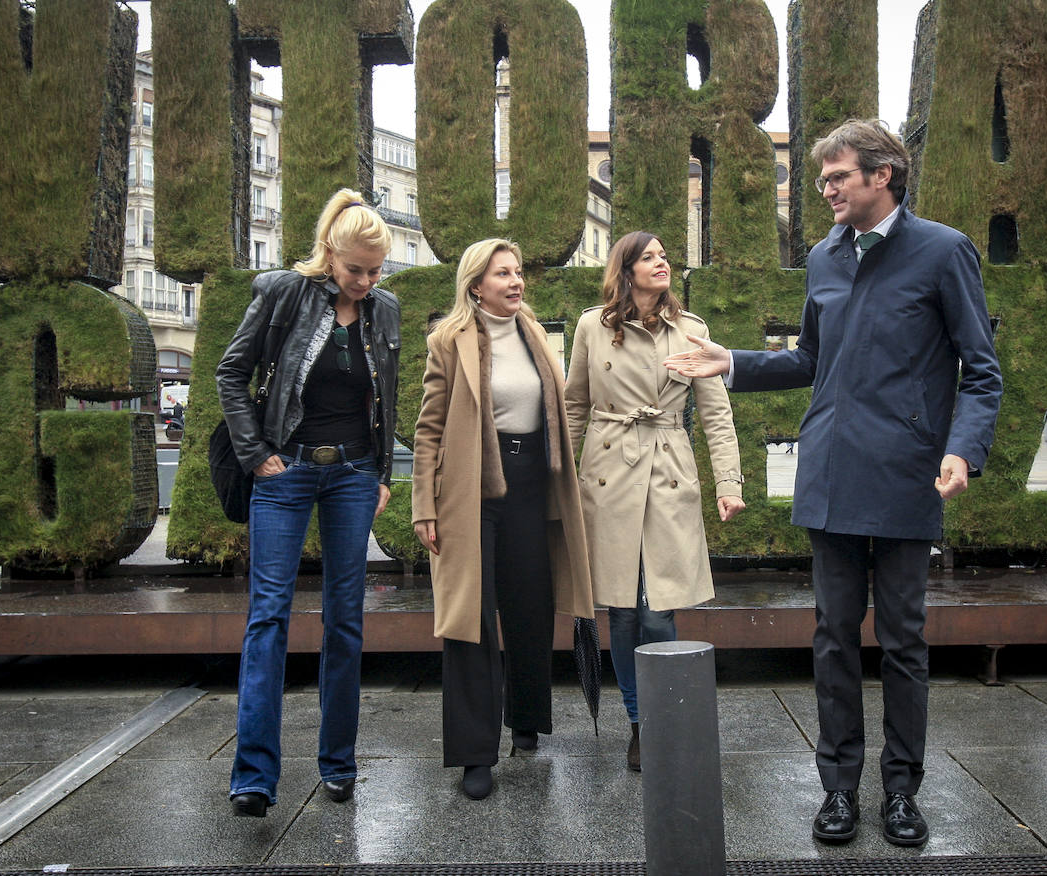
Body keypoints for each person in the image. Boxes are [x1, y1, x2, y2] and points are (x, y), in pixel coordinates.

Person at [664, 119, 1001, 847]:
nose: (826, 189)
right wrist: (733, 362)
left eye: (838, 176)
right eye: (822, 179)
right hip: (831, 473)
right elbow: (811, 360)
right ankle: (840, 790)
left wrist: (962, 450)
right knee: (832, 638)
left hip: (911, 474)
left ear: (884, 175)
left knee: (905, 640)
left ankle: (902, 791)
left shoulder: (943, 251)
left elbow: (981, 368)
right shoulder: (824, 257)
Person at [217, 188, 401, 817]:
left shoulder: (386, 310)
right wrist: (254, 453)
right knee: (268, 617)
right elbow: (229, 372)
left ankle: (338, 763)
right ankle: (253, 778)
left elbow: (385, 401)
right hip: (285, 471)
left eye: (376, 272)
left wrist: (379, 473)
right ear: (330, 252)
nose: (366, 282)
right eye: (356, 270)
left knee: (345, 620)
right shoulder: (282, 293)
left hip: (352, 474)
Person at [411, 238, 595, 800]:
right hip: (470, 491)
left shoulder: (535, 333)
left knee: (531, 604)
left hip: (532, 484)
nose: (516, 282)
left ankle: (527, 721)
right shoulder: (449, 341)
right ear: (475, 286)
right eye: (502, 275)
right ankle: (474, 754)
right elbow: (429, 428)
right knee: (470, 618)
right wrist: (423, 504)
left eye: (518, 273)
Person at [563, 231, 746, 772]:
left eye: (665, 256)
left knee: (658, 606)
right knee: (620, 610)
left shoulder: (691, 332)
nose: (662, 263)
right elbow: (575, 405)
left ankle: (666, 718)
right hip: (607, 471)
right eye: (650, 257)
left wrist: (729, 482)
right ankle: (639, 723)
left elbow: (714, 412)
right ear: (626, 269)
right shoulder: (592, 326)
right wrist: (562, 480)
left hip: (668, 466)